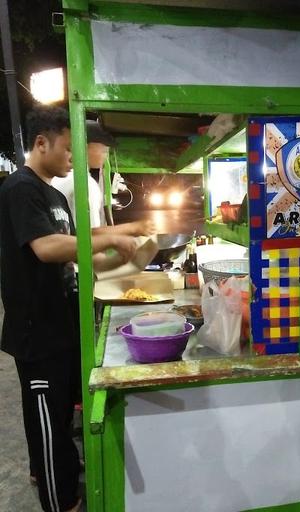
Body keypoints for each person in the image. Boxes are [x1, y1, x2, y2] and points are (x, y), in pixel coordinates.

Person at [0, 105, 138, 512]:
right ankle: (59, 502)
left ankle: (55, 474)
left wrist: (126, 250)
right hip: (37, 333)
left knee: (60, 421)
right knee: (49, 426)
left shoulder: (53, 195)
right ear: (40, 143)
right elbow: (46, 248)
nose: (72, 158)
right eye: (66, 149)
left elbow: (81, 252)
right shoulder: (20, 188)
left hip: (61, 326)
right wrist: (109, 238)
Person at [52, 119, 155, 237]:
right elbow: (88, 235)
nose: (105, 155)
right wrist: (135, 228)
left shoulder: (60, 177)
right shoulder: (84, 184)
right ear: (85, 147)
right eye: (104, 149)